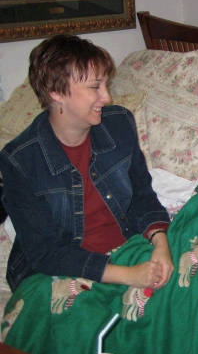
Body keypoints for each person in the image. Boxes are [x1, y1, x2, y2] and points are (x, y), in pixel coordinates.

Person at [0, 34, 174, 292]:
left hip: (130, 249)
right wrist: (128, 275)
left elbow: (141, 196)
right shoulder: (20, 160)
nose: (106, 97)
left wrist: (160, 243)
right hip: (62, 272)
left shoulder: (119, 124)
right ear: (56, 93)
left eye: (106, 84)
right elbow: (44, 253)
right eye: (95, 87)